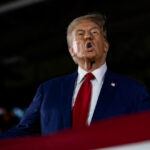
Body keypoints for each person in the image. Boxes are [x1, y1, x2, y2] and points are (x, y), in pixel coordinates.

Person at [0, 12, 150, 139]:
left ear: (106, 45)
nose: (87, 37)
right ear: (72, 50)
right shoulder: (48, 91)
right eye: (80, 34)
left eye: (94, 32)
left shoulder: (133, 91)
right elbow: (23, 132)